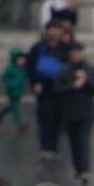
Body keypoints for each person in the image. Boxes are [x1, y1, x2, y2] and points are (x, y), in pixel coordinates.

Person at [26, 19, 72, 159]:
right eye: (52, 29)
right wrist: (35, 83)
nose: (54, 32)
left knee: (60, 117)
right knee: (45, 117)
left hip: (61, 88)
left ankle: (55, 146)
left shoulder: (66, 48)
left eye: (57, 30)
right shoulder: (38, 48)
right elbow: (30, 66)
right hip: (44, 88)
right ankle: (46, 147)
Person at [58, 43, 94, 186]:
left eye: (78, 52)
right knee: (74, 143)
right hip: (69, 112)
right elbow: (57, 89)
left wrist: (86, 81)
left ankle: (85, 170)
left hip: (86, 112)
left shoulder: (89, 69)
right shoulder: (64, 69)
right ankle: (78, 169)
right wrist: (72, 86)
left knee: (83, 141)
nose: (76, 55)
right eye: (74, 52)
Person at [0, 47, 28, 135]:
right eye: (19, 59)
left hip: (19, 91)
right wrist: (11, 84)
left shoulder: (22, 69)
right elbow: (4, 78)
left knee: (12, 107)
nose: (21, 61)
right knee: (16, 108)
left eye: (22, 59)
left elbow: (24, 78)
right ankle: (19, 124)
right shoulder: (11, 69)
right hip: (12, 92)